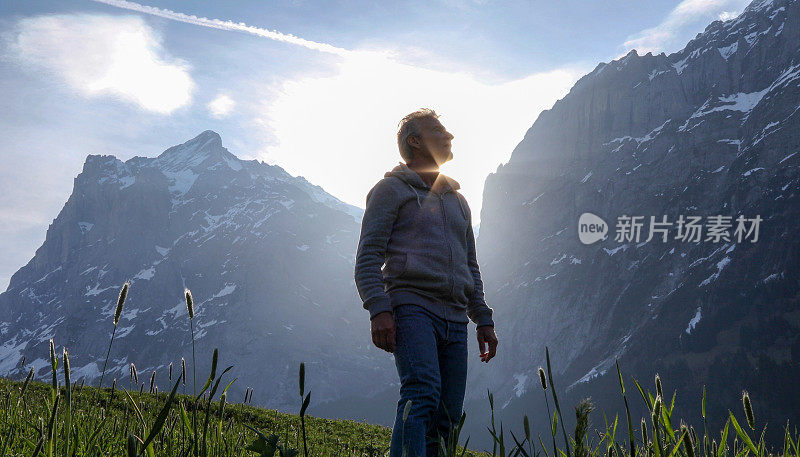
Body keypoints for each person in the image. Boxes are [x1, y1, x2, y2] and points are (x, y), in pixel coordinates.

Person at [354, 108, 499, 457]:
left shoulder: (459, 201)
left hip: (454, 318)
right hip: (411, 306)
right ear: (414, 141)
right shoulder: (390, 190)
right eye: (438, 129)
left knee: (448, 416)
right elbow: (368, 256)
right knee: (421, 394)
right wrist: (379, 309)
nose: (449, 136)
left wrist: (483, 318)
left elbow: (470, 265)